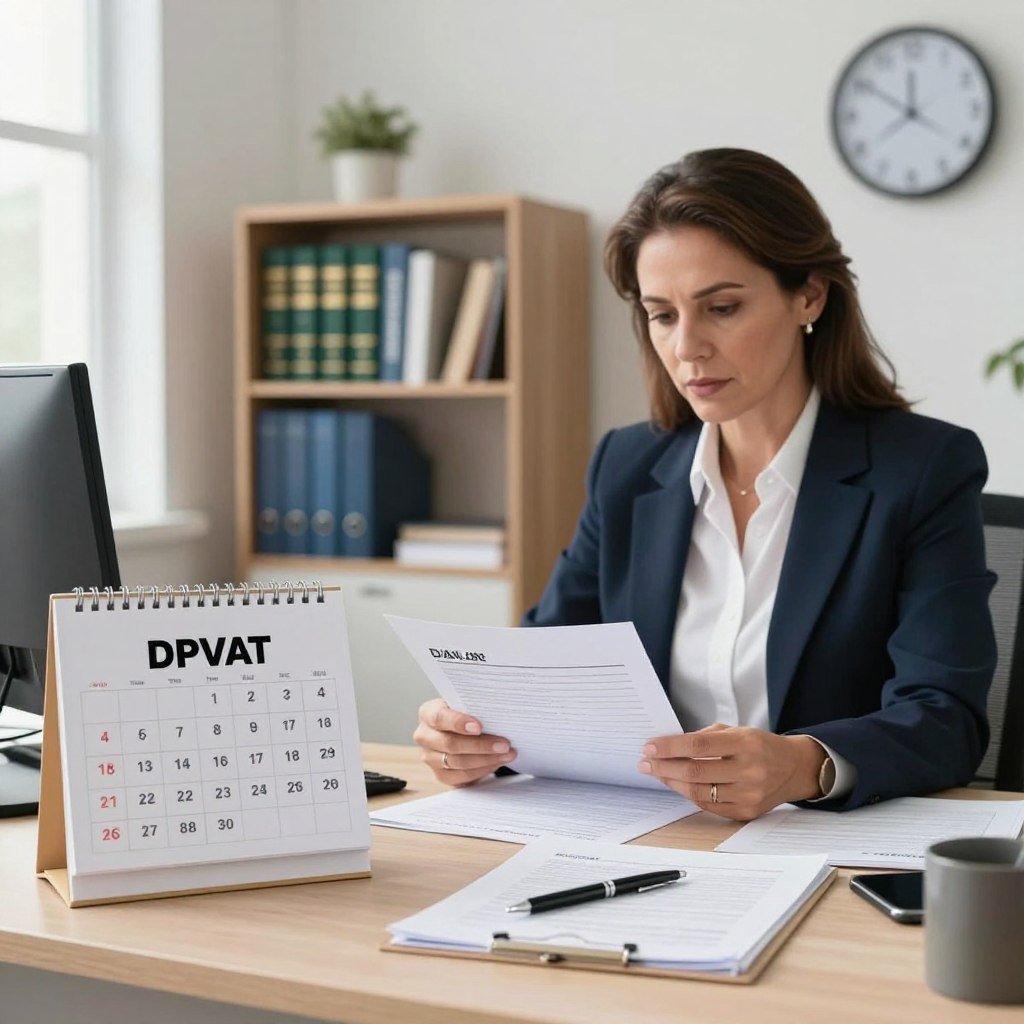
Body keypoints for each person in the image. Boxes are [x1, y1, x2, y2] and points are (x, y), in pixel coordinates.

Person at [414, 148, 996, 821]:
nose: (687, 347)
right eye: (662, 315)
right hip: (647, 838)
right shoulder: (628, 467)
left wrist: (802, 764)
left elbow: (946, 718)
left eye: (721, 307)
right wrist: (473, 733)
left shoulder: (923, 468)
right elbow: (543, 674)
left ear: (808, 294)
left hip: (820, 847)